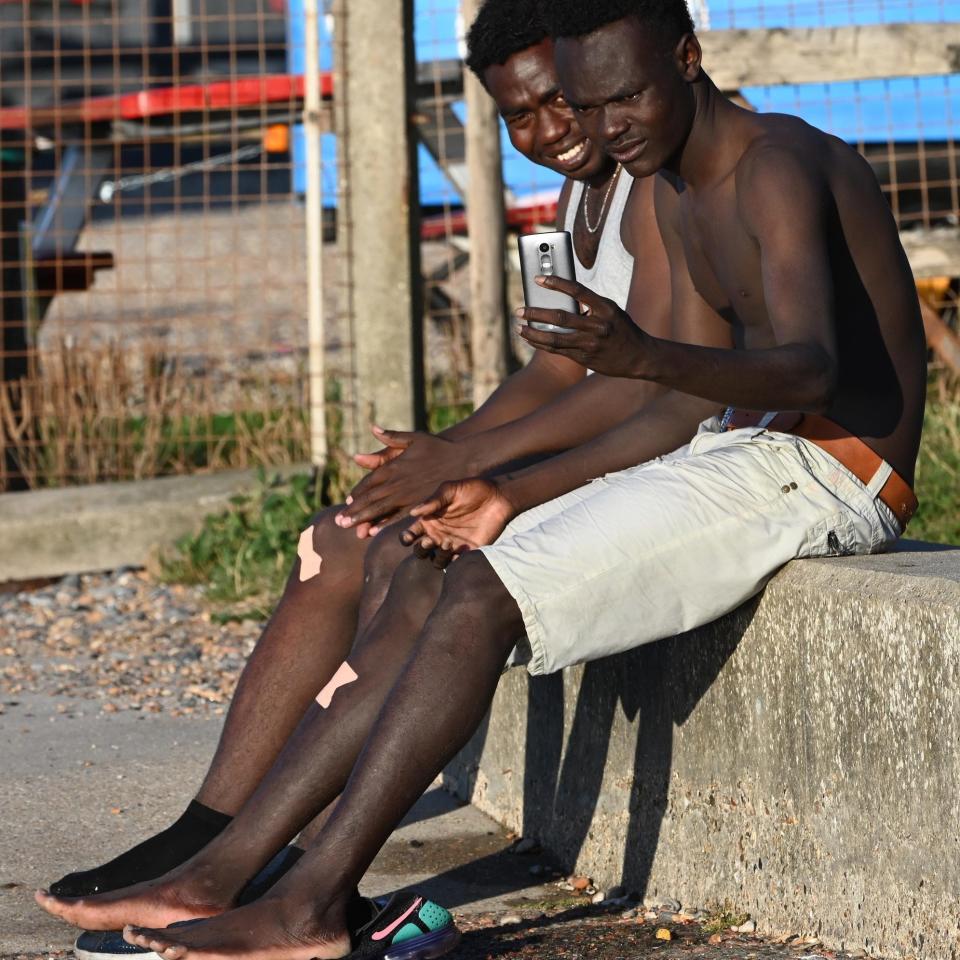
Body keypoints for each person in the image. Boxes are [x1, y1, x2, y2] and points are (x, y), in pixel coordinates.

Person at [59, 1, 925, 957]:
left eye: (619, 98)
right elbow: (677, 395)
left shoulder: (775, 164)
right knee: (445, 556)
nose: (598, 130)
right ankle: (228, 871)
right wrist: (503, 488)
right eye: (587, 107)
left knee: (479, 590)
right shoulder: (666, 179)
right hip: (742, 448)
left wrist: (631, 360)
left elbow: (807, 368)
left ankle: (300, 903)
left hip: (828, 468)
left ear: (688, 57)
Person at [36, 0, 689, 944]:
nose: (551, 132)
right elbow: (552, 364)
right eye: (522, 117)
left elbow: (648, 388)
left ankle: (284, 868)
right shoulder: (568, 202)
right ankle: (211, 832)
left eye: (564, 103)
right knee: (333, 536)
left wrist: (465, 464)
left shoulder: (649, 180)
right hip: (580, 436)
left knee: (403, 556)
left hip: (646, 451)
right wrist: (440, 451)